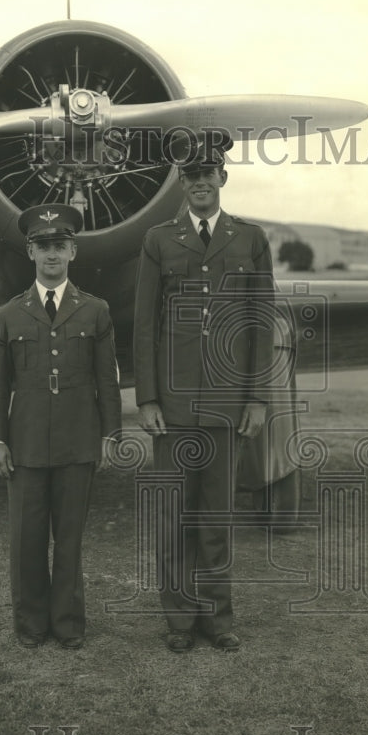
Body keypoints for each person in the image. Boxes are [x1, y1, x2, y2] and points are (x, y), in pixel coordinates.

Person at [133, 139, 276, 652]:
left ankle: (217, 619)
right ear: (180, 182)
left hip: (226, 405)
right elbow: (144, 326)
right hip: (171, 408)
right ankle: (178, 621)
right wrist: (146, 398)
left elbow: (261, 325)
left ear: (222, 177)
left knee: (216, 517)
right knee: (174, 518)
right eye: (190, 173)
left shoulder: (250, 240)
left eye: (208, 171)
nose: (200, 181)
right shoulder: (158, 240)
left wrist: (258, 398)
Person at [0, 205, 121, 650]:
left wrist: (109, 435)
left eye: (59, 246)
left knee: (68, 541)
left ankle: (67, 624)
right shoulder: (10, 314)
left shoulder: (96, 311)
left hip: (77, 443)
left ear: (73, 252)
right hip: (24, 445)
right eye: (43, 246)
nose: (51, 255)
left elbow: (107, 380)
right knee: (26, 541)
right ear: (30, 252)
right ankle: (30, 625)